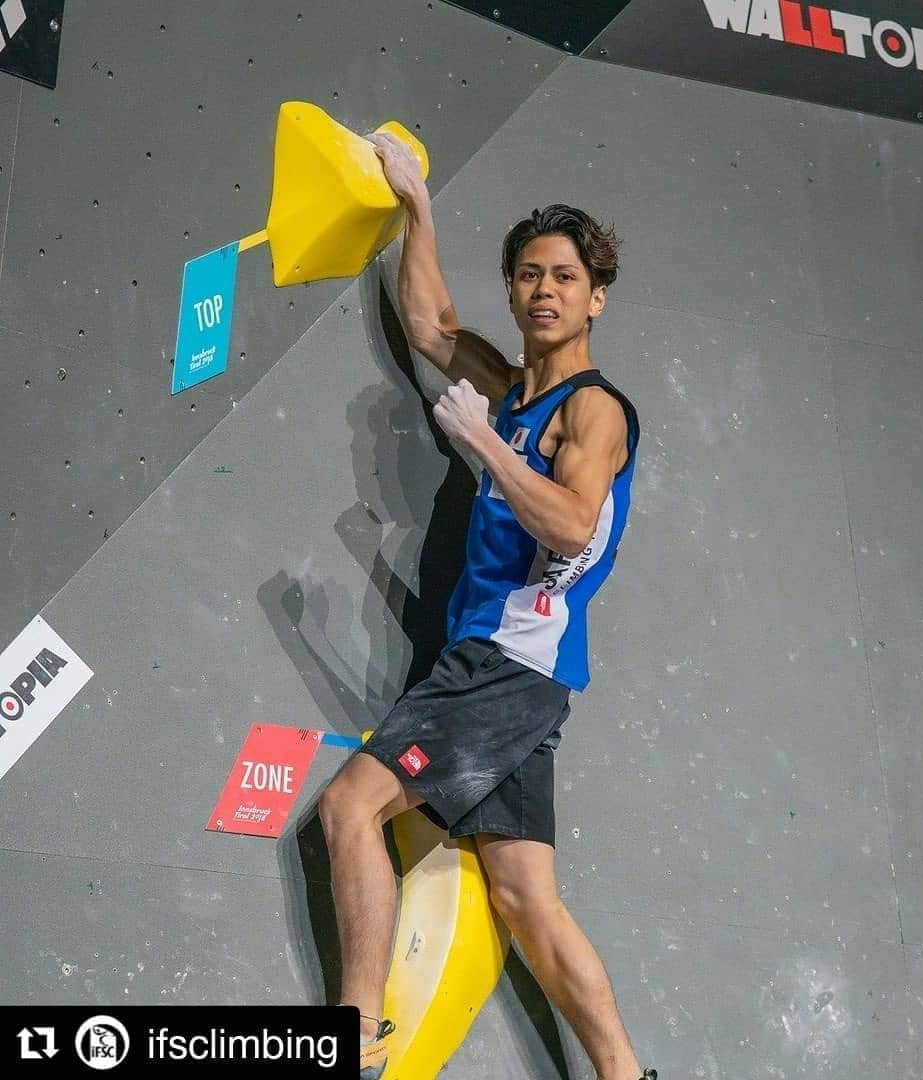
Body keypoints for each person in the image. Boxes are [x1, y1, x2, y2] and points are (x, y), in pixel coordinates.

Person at [317, 128, 656, 1080]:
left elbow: (572, 528)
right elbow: (430, 328)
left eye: (563, 276)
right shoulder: (511, 389)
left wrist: (493, 450)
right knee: (527, 902)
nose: (543, 290)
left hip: (507, 663)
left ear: (596, 297)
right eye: (527, 276)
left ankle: (353, 1035)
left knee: (351, 809)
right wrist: (417, 206)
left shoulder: (596, 411)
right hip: (518, 672)